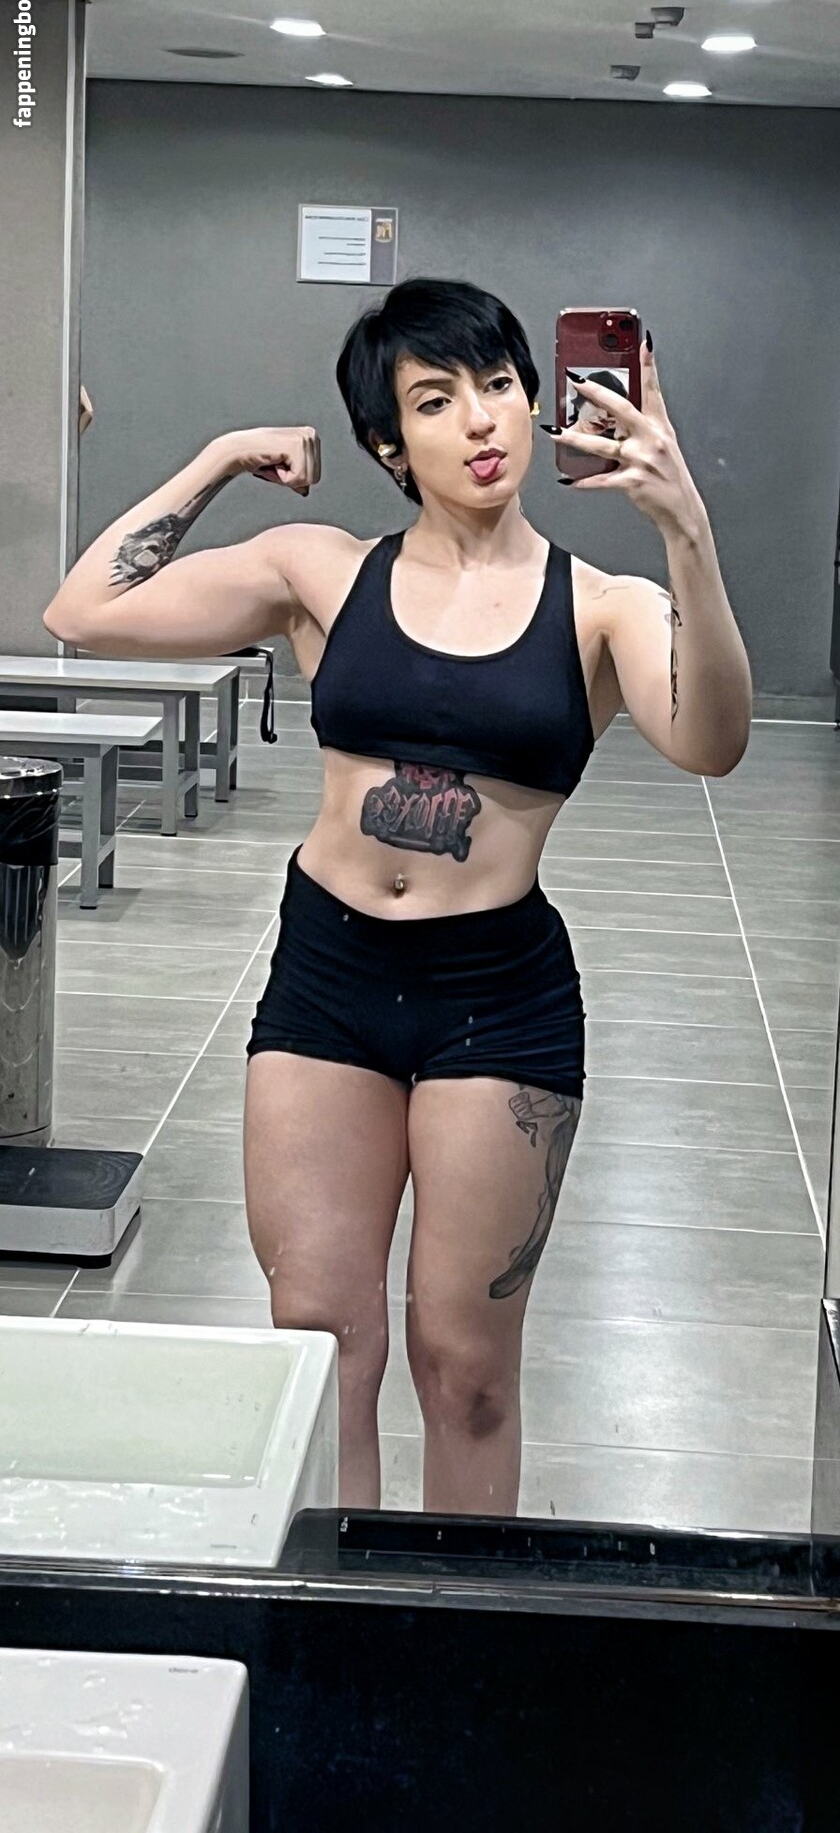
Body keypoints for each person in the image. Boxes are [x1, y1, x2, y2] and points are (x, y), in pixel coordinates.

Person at [42, 278, 752, 1517]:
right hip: (327, 980)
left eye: (500, 386)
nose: (480, 419)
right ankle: (341, 1611)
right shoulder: (321, 571)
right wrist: (222, 456)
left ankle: (451, 1624)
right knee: (320, 1343)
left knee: (464, 1369)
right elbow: (83, 611)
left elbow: (713, 742)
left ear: (536, 404)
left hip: (498, 999)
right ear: (388, 443)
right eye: (436, 399)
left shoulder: (603, 606)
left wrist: (683, 525)